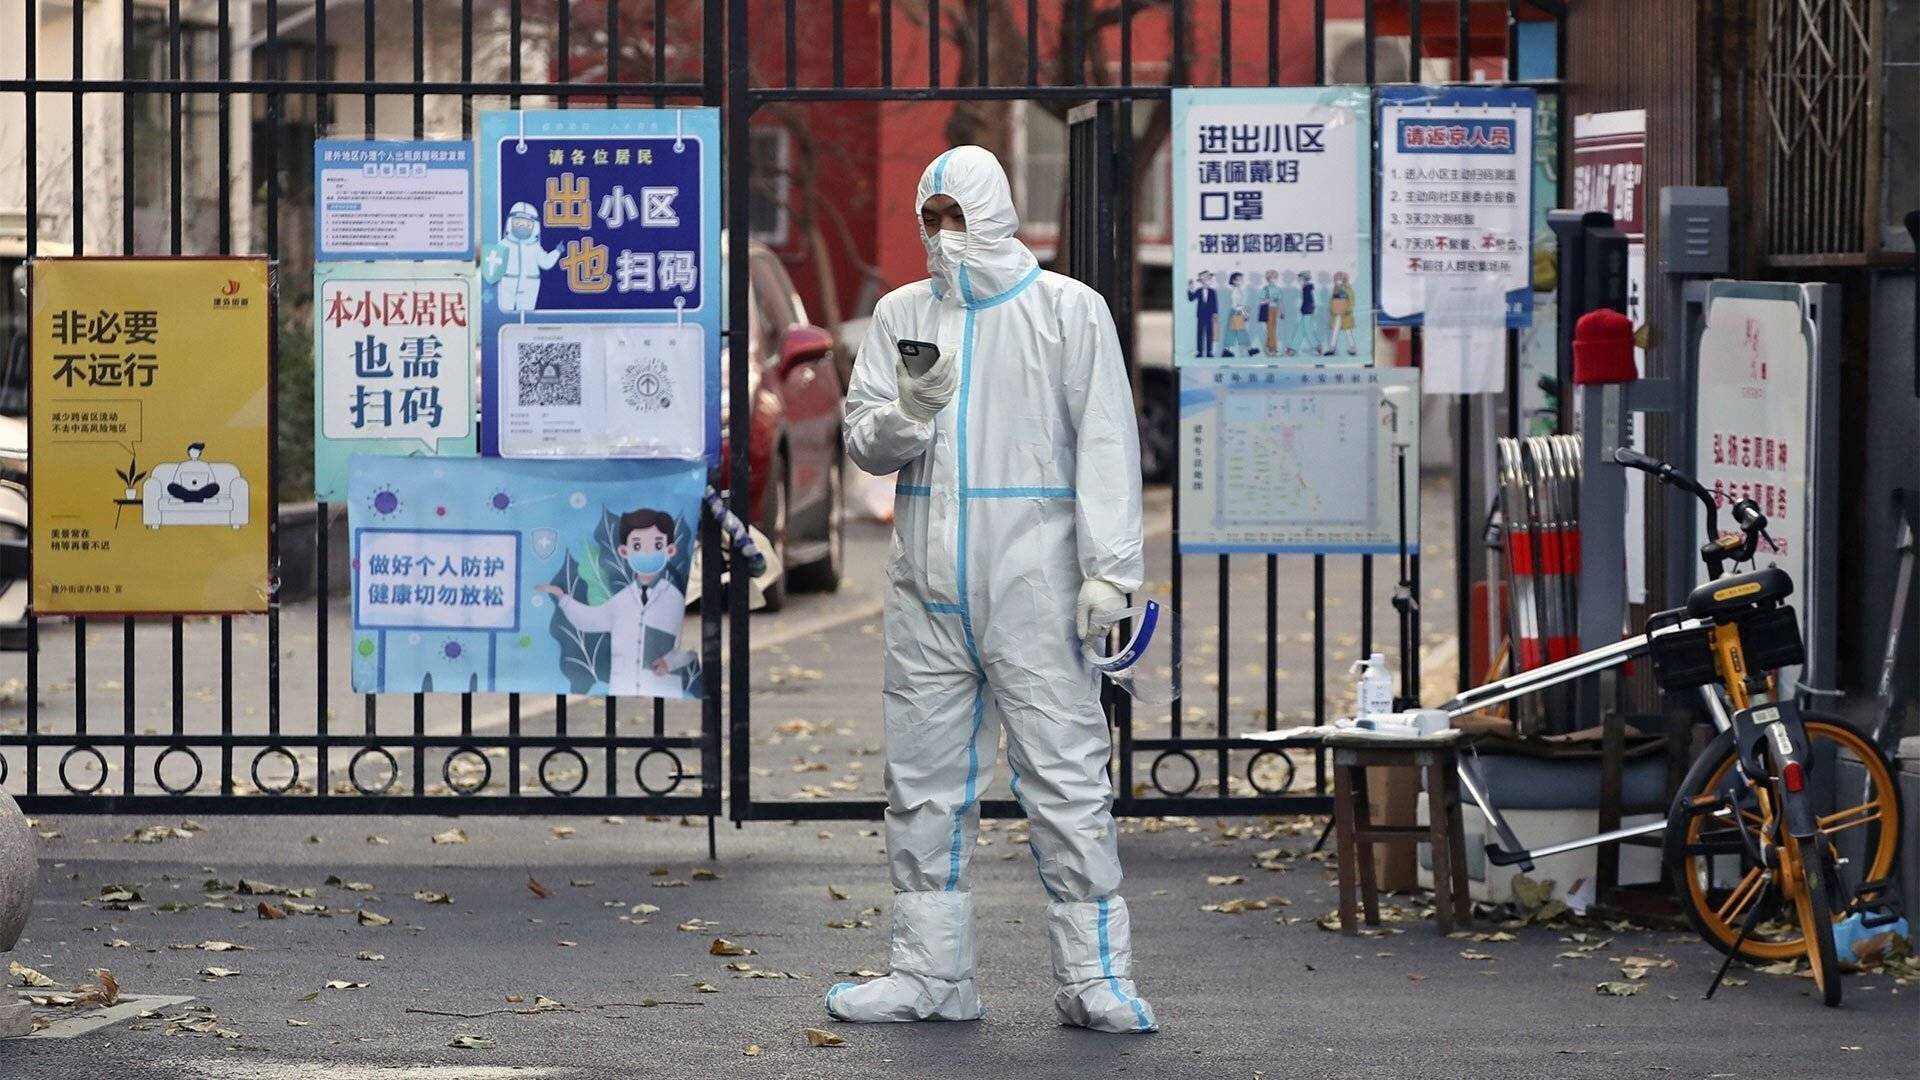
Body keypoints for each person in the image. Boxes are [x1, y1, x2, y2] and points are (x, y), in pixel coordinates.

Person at [829, 145, 1157, 1034]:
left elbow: (1106, 442)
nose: (941, 236)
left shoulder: (1065, 311)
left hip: (1034, 587)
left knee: (1065, 777)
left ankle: (1096, 978)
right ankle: (929, 976)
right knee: (922, 786)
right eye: (928, 219)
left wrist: (1110, 571)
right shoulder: (902, 313)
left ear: (997, 215)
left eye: (956, 217)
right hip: (927, 591)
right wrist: (912, 411)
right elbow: (864, 443)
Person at [534, 508, 697, 697]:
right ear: (624, 551)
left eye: (657, 545)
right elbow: (590, 620)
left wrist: (671, 662)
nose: (646, 551)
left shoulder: (673, 597)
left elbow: (691, 644)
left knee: (658, 715)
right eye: (637, 545)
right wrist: (563, 598)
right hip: (623, 688)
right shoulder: (624, 598)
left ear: (670, 550)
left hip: (662, 689)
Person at [490, 201, 560, 314]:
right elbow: (492, 263)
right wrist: (492, 279)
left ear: (534, 227)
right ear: (510, 223)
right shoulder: (503, 245)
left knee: (527, 316)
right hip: (507, 284)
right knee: (505, 314)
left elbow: (545, 263)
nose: (522, 227)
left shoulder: (535, 247)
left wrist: (556, 252)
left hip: (530, 285)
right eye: (518, 223)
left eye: (527, 224)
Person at [1219, 271, 1255, 358]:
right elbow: (1235, 306)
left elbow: (1239, 305)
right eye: (1239, 279)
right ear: (1234, 281)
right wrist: (1244, 309)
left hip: (1237, 313)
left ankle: (1226, 350)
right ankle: (1249, 349)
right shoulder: (1235, 291)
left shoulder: (1238, 290)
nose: (1242, 281)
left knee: (1232, 332)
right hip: (1236, 313)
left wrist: (1244, 311)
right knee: (1241, 332)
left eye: (1242, 279)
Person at [1287, 270, 1322, 356]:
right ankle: (1293, 349)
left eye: (1300, 279)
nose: (1298, 280)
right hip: (1306, 311)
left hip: (1307, 311)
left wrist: (1307, 310)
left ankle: (1317, 347)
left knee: (1307, 330)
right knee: (1300, 331)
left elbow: (1309, 301)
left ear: (1304, 279)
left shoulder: (1307, 288)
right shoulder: (1306, 288)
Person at [1325, 270, 1359, 356]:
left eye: (1339, 279)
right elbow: (1332, 300)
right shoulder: (1335, 289)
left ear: (1344, 279)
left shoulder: (1348, 289)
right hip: (1337, 313)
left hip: (1345, 314)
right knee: (1335, 331)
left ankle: (1352, 348)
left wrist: (1348, 309)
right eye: (1336, 279)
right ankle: (1332, 349)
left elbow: (1351, 301)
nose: (1338, 281)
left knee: (1348, 331)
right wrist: (1332, 309)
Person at [1185, 270, 1218, 358]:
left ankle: (1209, 352)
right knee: (1200, 334)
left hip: (1210, 315)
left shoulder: (1212, 291)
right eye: (1205, 279)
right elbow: (1191, 298)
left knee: (1209, 334)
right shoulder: (1198, 290)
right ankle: (1199, 352)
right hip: (1200, 315)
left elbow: (1215, 303)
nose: (1207, 281)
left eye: (1208, 279)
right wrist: (1190, 289)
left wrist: (1215, 314)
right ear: (1201, 281)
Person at [1258, 269, 1285, 356]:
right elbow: (1261, 302)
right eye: (1272, 277)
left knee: (1273, 329)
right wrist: (1270, 299)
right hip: (1268, 310)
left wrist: (1282, 312)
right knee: (1270, 330)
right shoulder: (1266, 289)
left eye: (1275, 277)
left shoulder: (1278, 289)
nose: (1274, 279)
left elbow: (1280, 301)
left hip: (1275, 310)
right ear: (1268, 278)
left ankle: (1268, 347)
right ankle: (1273, 349)